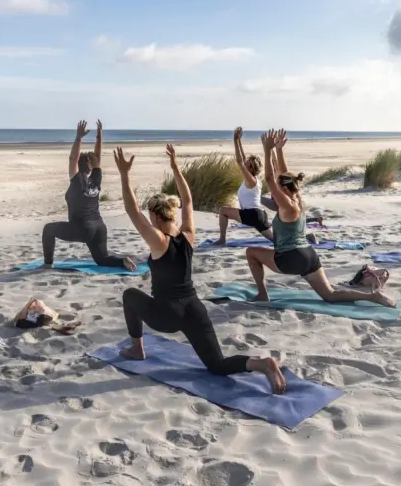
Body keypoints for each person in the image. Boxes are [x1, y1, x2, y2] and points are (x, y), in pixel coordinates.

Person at [112, 143, 287, 395]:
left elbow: (131, 210)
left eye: (151, 215)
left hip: (168, 314)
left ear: (156, 216)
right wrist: (175, 167)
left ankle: (137, 348)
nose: (149, 219)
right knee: (217, 365)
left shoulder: (159, 241)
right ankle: (262, 363)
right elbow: (188, 200)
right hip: (195, 309)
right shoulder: (188, 235)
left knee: (129, 295)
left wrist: (124, 174)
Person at [245, 129, 395, 308]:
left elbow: (270, 178)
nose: (275, 190)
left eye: (278, 188)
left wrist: (267, 149)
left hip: (290, 258)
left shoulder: (287, 206)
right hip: (309, 255)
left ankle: (262, 294)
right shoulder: (298, 199)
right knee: (330, 295)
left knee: (251, 252)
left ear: (284, 191)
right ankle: (373, 297)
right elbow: (284, 176)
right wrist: (279, 150)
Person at [41, 120, 137, 271]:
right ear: (91, 167)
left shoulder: (77, 180)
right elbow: (96, 158)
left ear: (78, 166)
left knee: (48, 229)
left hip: (82, 228)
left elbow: (73, 158)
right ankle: (122, 261)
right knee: (102, 260)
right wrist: (99, 137)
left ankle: (47, 264)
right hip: (99, 227)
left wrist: (78, 138)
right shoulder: (96, 178)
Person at [215, 127, 272, 244]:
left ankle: (222, 239)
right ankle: (308, 238)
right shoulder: (255, 179)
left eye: (247, 164)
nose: (245, 163)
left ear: (250, 168)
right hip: (260, 215)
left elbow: (240, 161)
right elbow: (243, 159)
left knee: (223, 211)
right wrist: (240, 141)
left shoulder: (250, 180)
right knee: (275, 240)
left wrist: (235, 141)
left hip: (252, 214)